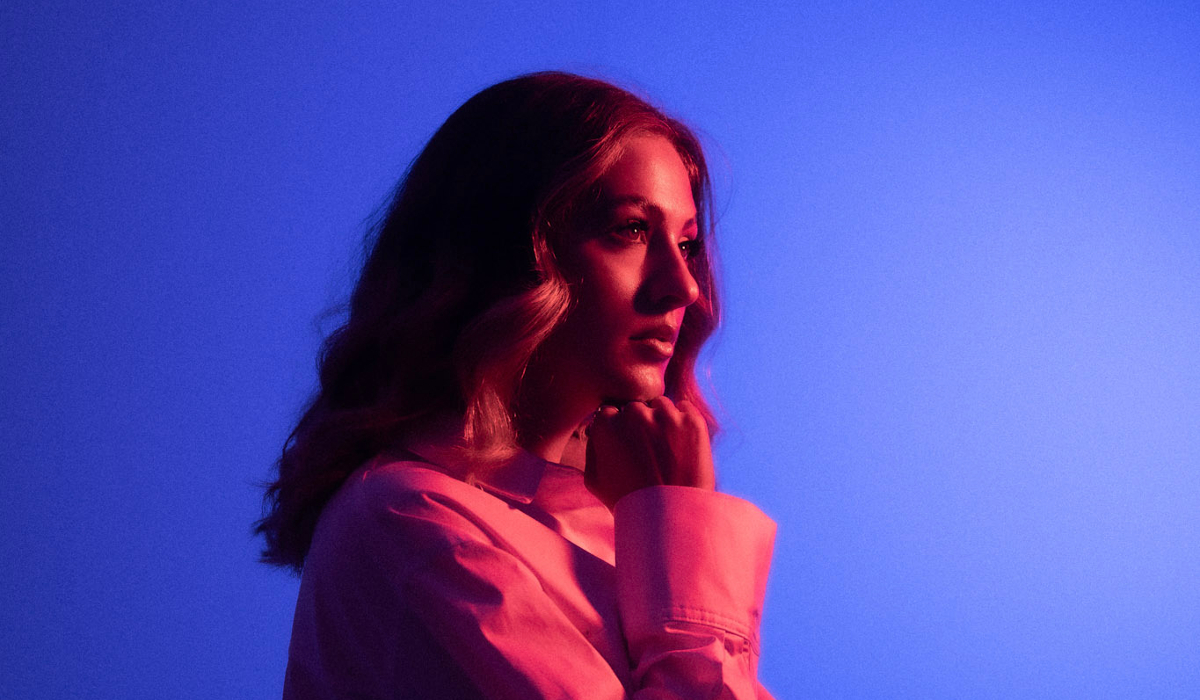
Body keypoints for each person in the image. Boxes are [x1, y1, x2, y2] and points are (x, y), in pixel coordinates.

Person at [256, 71, 776, 699]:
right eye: (632, 230)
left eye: (687, 243)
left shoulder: (611, 525)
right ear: (509, 251)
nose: (684, 286)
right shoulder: (411, 519)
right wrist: (678, 525)